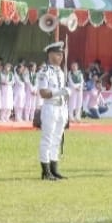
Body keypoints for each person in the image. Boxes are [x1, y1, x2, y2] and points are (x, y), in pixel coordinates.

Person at [36, 42, 70, 180]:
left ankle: (54, 168)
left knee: (57, 139)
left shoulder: (61, 72)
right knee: (47, 139)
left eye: (62, 54)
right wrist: (59, 92)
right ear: (50, 55)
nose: (61, 56)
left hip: (61, 108)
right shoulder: (44, 72)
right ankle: (46, 171)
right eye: (58, 54)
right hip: (50, 107)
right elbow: (43, 93)